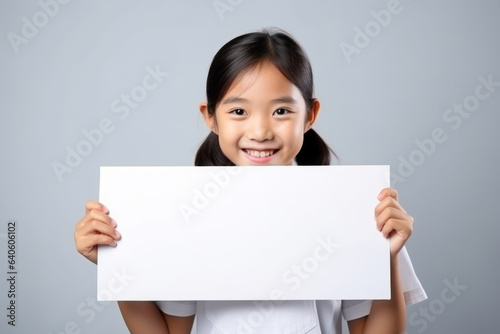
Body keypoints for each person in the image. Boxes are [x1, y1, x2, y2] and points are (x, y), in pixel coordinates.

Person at [74, 27, 427, 334]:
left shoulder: (352, 208)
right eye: (239, 111)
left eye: (282, 111)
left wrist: (385, 256)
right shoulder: (189, 212)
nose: (260, 131)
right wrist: (118, 265)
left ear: (310, 115)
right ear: (210, 117)